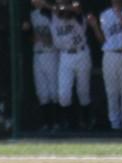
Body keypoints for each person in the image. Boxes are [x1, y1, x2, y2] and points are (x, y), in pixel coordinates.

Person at [35, 1, 93, 131]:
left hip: (81, 52)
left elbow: (76, 8)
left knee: (83, 91)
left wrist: (61, 8)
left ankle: (86, 122)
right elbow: (35, 1)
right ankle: (71, 124)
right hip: (65, 55)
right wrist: (53, 8)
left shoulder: (75, 10)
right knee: (63, 94)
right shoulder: (51, 13)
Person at [90, 0, 122, 132]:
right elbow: (103, 41)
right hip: (110, 54)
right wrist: (95, 26)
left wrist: (120, 17)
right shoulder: (104, 15)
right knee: (111, 91)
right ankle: (114, 125)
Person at [23, 1, 60, 131]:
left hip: (51, 53)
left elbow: (60, 15)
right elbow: (30, 36)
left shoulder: (51, 12)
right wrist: (29, 33)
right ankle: (46, 124)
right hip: (37, 53)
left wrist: (45, 5)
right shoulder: (32, 14)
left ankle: (57, 123)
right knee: (42, 91)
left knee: (54, 90)